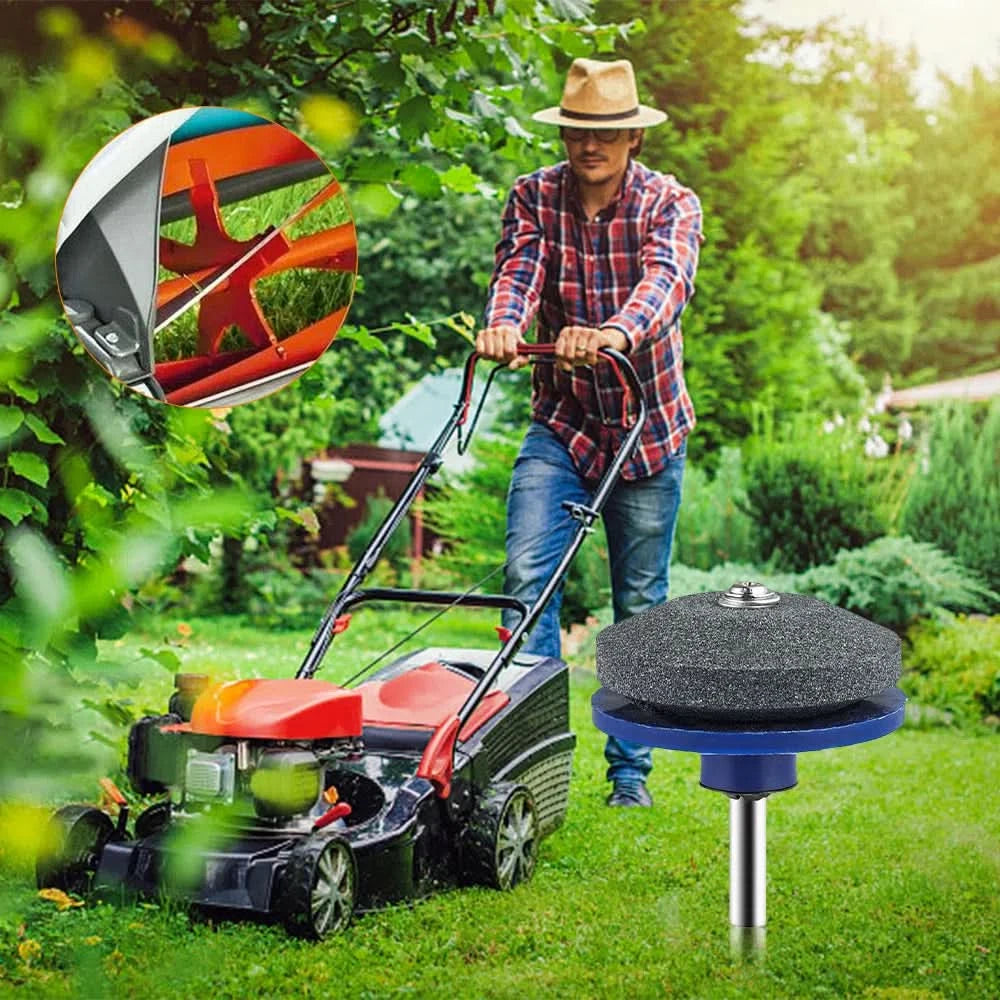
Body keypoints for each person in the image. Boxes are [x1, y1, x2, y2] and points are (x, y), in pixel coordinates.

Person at [476, 58, 703, 807]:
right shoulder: (535, 197)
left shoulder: (671, 203)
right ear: (566, 133)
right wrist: (505, 323)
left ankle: (629, 776)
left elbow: (665, 285)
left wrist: (611, 331)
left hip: (648, 430)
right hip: (564, 426)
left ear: (633, 135)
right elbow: (521, 269)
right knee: (526, 581)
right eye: (578, 130)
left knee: (638, 603)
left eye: (606, 131)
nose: (590, 144)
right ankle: (535, 760)